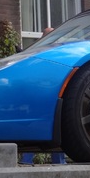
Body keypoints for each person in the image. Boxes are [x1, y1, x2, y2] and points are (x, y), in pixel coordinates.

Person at [20, 27, 66, 165]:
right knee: (46, 130)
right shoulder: (53, 53)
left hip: (45, 97)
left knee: (45, 130)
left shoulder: (40, 53)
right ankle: (56, 163)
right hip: (44, 97)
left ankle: (29, 162)